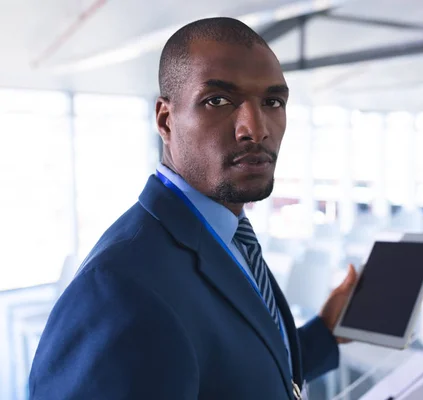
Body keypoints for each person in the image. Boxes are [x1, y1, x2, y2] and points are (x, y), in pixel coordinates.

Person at [29, 17, 358, 400]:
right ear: (166, 120)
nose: (256, 128)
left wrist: (326, 331)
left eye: (272, 102)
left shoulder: (228, 235)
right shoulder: (118, 287)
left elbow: (239, 370)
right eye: (217, 100)